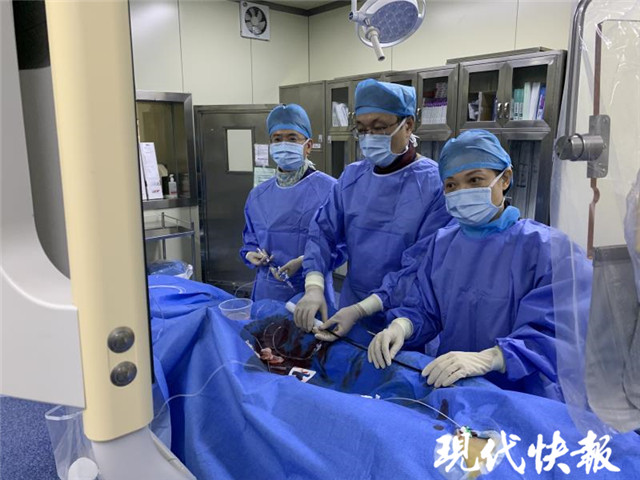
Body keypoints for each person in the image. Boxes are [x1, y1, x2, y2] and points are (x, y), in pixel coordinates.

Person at [365, 129, 593, 401]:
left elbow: (561, 334)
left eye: (474, 180)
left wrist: (493, 358)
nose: (462, 191)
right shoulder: (442, 245)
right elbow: (425, 308)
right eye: (451, 185)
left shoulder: (550, 250)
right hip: (453, 387)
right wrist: (402, 327)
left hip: (523, 397)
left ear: (504, 179)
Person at [294, 79, 451, 338]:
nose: (369, 137)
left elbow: (421, 265)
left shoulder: (435, 184)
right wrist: (314, 286)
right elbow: (322, 232)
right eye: (361, 129)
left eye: (379, 128)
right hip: (350, 305)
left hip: (406, 316)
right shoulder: (352, 177)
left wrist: (362, 309)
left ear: (408, 125)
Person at [240, 104, 344, 303]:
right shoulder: (258, 195)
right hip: (268, 291)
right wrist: (250, 254)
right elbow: (250, 240)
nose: (284, 145)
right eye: (277, 139)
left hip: (312, 291)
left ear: (308, 146)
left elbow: (341, 244)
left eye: (292, 138)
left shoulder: (330, 190)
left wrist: (306, 261)